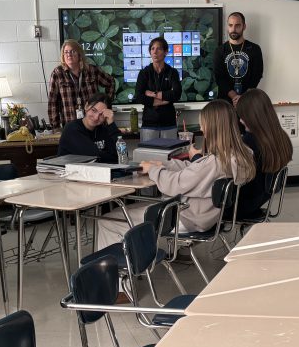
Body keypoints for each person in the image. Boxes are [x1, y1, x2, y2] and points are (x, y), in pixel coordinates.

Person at [94, 99, 255, 251]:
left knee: (108, 220)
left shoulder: (215, 163)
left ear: (213, 127)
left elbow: (176, 185)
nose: (201, 127)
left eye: (203, 124)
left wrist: (152, 170)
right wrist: (164, 164)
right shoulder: (237, 156)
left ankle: (119, 277)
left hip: (186, 217)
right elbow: (195, 170)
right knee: (130, 212)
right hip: (202, 215)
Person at [235, 89, 293, 218]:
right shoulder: (282, 137)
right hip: (260, 199)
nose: (240, 121)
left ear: (252, 116)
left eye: (242, 116)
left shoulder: (249, 142)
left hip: (241, 205)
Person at [47, 39, 116, 130]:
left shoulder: (92, 70)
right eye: (66, 52)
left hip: (94, 124)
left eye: (73, 51)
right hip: (70, 125)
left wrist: (106, 104)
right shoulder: (57, 73)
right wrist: (55, 126)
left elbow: (110, 82)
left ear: (79, 54)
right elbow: (52, 102)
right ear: (63, 55)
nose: (69, 54)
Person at [133, 36, 182, 141]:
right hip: (149, 123)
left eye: (158, 48)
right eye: (152, 49)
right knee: (149, 156)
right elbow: (139, 97)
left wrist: (153, 94)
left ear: (165, 52)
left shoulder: (172, 72)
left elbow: (176, 94)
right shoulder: (144, 73)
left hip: (169, 123)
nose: (154, 52)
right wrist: (165, 99)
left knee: (170, 155)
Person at [213, 12, 263, 105]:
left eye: (237, 25)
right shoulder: (220, 50)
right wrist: (235, 97)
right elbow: (219, 78)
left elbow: (257, 75)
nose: (233, 29)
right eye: (230, 25)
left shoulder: (255, 49)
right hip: (225, 103)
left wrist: (243, 98)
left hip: (248, 101)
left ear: (244, 26)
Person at [56, 93, 119, 163]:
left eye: (101, 115)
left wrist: (111, 124)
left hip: (95, 172)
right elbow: (94, 156)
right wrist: (113, 156)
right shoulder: (72, 129)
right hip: (69, 173)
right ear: (86, 106)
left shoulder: (103, 130)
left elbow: (122, 154)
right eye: (94, 110)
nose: (96, 118)